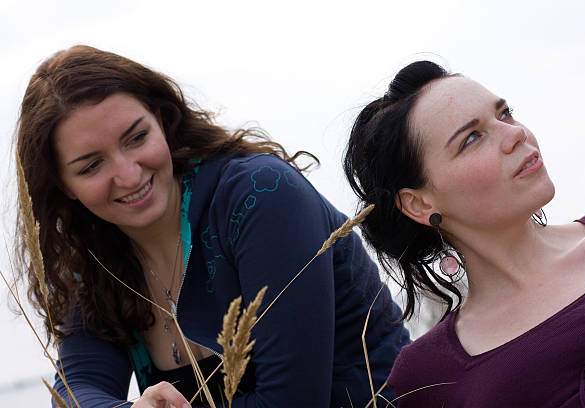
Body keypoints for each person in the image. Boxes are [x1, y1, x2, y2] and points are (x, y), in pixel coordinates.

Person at [15, 45, 409, 408]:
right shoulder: (98, 262)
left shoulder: (260, 196)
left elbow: (293, 402)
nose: (129, 174)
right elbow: (76, 389)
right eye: (91, 165)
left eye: (136, 138)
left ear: (162, 120)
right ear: (62, 185)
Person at [343, 60, 585, 407]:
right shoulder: (427, 377)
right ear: (419, 203)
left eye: (505, 114)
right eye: (471, 138)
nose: (515, 134)